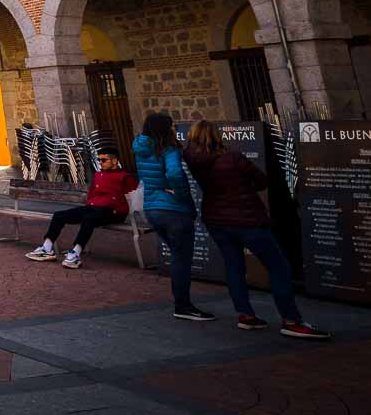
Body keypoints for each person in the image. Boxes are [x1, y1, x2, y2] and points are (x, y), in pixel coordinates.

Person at [184, 120, 328, 339]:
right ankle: (291, 319)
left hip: (215, 219)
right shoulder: (233, 157)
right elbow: (261, 181)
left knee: (234, 266)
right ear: (216, 135)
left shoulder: (193, 160)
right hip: (246, 218)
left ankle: (245, 314)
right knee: (278, 267)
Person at [133, 112, 212, 321]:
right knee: (181, 258)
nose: (175, 129)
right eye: (172, 126)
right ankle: (183, 305)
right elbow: (175, 174)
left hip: (152, 208)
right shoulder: (168, 149)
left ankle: (182, 304)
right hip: (173, 210)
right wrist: (182, 194)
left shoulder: (141, 149)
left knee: (177, 255)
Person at [25, 145, 136, 268]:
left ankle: (75, 253)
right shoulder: (99, 175)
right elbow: (91, 195)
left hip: (114, 212)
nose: (100, 163)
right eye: (99, 160)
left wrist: (123, 212)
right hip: (93, 208)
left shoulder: (125, 177)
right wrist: (90, 205)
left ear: (114, 161)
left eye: (104, 160)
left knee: (89, 219)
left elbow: (132, 199)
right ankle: (47, 248)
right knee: (59, 216)